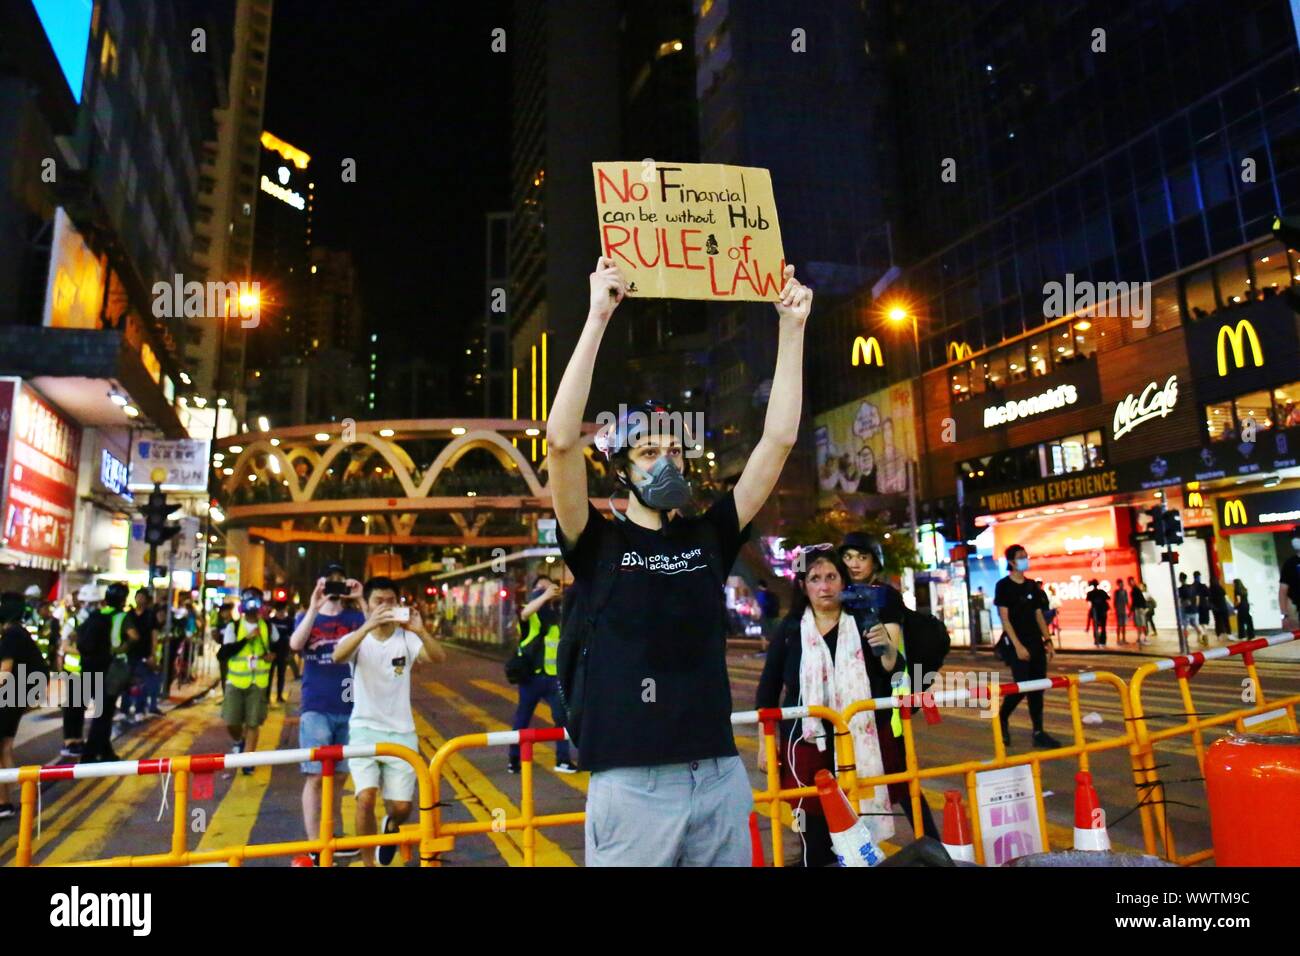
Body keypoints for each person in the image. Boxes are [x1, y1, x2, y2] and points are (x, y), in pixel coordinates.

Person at [546, 256, 812, 866]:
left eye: (674, 449)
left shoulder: (709, 536)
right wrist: (597, 316)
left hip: (718, 774)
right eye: (646, 452)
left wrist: (792, 327)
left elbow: (779, 441)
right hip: (632, 787)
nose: (664, 461)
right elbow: (561, 442)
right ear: (621, 470)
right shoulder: (596, 542)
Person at [755, 548, 909, 865]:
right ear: (803, 586)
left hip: (860, 745)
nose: (824, 587)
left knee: (860, 836)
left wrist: (887, 649)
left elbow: (894, 673)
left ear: (843, 583)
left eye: (831, 577)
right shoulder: (789, 630)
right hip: (807, 748)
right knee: (813, 836)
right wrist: (763, 745)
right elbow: (767, 691)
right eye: (815, 579)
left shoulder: (865, 624)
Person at [332, 577, 445, 866]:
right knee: (366, 798)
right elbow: (337, 656)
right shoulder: (359, 637)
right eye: (377, 602)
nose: (384, 607)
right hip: (363, 730)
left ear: (399, 604)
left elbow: (438, 657)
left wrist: (422, 630)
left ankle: (392, 825)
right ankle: (369, 863)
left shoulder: (406, 638)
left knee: (402, 807)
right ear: (367, 605)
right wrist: (367, 626)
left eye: (390, 602)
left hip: (401, 732)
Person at [289, 565, 365, 860]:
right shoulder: (309, 616)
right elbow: (296, 644)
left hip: (350, 706)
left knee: (340, 777)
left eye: (338, 583)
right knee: (316, 776)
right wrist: (313, 606)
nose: (334, 589)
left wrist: (360, 601)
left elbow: (376, 639)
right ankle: (314, 842)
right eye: (329, 583)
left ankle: (334, 833)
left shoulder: (356, 617)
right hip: (316, 707)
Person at [508, 575, 577, 774]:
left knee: (561, 719)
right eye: (540, 588)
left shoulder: (558, 617)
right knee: (522, 719)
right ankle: (514, 759)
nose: (546, 591)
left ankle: (563, 760)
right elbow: (525, 612)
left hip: (554, 678)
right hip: (531, 678)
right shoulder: (532, 617)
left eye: (550, 588)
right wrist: (545, 594)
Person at [994, 545, 1061, 749]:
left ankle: (1038, 731)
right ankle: (1002, 717)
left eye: (1026, 556)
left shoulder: (1032, 586)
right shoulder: (1003, 586)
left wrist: (1048, 641)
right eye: (1020, 557)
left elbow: (1039, 615)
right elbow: (1004, 618)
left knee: (1037, 688)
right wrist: (1018, 646)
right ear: (1012, 562)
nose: (1025, 560)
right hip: (1017, 643)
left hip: (1035, 643)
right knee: (1021, 685)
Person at [1, 593, 50, 818]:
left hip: (11, 695)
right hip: (19, 695)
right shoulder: (19, 632)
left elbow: (4, 673)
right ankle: (18, 797)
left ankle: (4, 802)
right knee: (5, 747)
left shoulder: (10, 635)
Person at [77, 582, 138, 763]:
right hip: (111, 667)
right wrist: (121, 648)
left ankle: (105, 752)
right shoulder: (121, 616)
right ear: (123, 599)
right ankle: (89, 755)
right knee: (104, 713)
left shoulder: (96, 615)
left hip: (91, 667)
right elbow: (135, 636)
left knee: (103, 710)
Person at [218, 587, 277, 774]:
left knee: (253, 723)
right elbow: (224, 653)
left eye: (256, 601)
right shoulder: (233, 627)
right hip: (235, 682)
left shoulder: (268, 627)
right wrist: (246, 639)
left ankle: (248, 760)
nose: (253, 605)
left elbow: (280, 646)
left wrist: (273, 655)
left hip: (258, 684)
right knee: (231, 721)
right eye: (249, 600)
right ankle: (238, 740)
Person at [264, 597, 294, 704]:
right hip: (271, 652)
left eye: (283, 611)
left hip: (283, 651)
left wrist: (290, 652)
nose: (281, 613)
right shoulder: (271, 621)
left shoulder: (289, 621)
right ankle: (266, 696)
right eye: (279, 611)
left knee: (281, 675)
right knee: (269, 675)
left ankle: (279, 696)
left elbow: (292, 637)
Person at [1279, 535, 1300, 632]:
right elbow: (1283, 591)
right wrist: (1284, 615)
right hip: (1296, 610)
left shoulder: (1289, 563)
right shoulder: (1289, 564)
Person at [755, 579, 781, 653]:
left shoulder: (761, 594)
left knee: (763, 633)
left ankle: (763, 648)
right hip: (776, 616)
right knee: (775, 633)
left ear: (760, 586)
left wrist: (759, 615)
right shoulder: (773, 594)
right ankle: (776, 649)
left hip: (766, 616)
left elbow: (761, 605)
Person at [1177, 573, 1204, 643]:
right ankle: (1201, 635)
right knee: (1194, 624)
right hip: (1194, 610)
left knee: (1185, 626)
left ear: (1180, 579)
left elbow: (1181, 601)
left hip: (1186, 610)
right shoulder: (1192, 587)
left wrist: (1181, 606)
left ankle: (1185, 640)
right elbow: (1197, 598)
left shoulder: (1180, 589)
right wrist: (1196, 606)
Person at [1085, 579, 1109, 648]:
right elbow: (1108, 598)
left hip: (1096, 613)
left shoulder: (1090, 593)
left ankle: (1097, 640)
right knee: (1103, 627)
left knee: (1096, 627)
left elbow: (1088, 600)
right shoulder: (1102, 592)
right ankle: (1102, 641)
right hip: (1102, 613)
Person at [1128, 577, 1149, 644]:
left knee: (1142, 624)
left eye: (1132, 581)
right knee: (1140, 624)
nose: (1131, 583)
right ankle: (1140, 638)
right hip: (1138, 609)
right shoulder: (1134, 590)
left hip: (1140, 608)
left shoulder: (1136, 590)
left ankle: (1145, 638)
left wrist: (1131, 611)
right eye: (1130, 582)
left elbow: (1136, 601)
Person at [1193, 571, 1212, 646]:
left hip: (1197, 607)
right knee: (1204, 623)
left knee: (1198, 623)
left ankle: (1201, 636)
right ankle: (1204, 636)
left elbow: (1195, 598)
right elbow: (1208, 596)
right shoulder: (1204, 586)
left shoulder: (1192, 586)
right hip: (1204, 606)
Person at [1113, 578, 1128, 645]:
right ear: (1118, 584)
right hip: (1119, 611)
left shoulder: (1125, 591)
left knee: (1124, 625)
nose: (1121, 585)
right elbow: (1115, 602)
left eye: (1122, 583)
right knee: (1119, 625)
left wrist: (1129, 609)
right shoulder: (1116, 592)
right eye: (1120, 583)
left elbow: (1127, 601)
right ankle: (1118, 639)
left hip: (1124, 610)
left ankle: (1124, 639)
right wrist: (1116, 610)